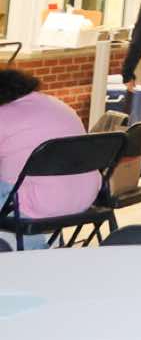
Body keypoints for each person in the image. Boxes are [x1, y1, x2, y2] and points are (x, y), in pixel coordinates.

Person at [0, 69, 100, 248]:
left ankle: (29, 248)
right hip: (83, 198)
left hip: (37, 205)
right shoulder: (59, 105)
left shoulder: (4, 114)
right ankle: (45, 245)